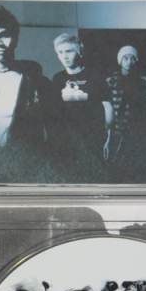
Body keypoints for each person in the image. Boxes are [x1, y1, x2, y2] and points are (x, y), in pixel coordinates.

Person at [0, 5, 62, 183]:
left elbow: (57, 132)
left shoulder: (38, 82)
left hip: (24, 170)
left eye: (4, 35)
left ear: (15, 38)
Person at [50, 34, 106, 182]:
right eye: (60, 52)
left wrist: (108, 136)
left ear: (79, 52)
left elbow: (107, 107)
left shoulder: (96, 76)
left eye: (69, 51)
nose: (64, 56)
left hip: (92, 138)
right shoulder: (57, 79)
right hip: (66, 139)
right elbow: (54, 113)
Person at [101, 45, 146, 182]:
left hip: (135, 125)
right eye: (125, 58)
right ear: (120, 60)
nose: (129, 62)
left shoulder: (143, 80)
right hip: (115, 125)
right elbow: (106, 105)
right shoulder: (111, 80)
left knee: (133, 160)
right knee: (113, 158)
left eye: (132, 58)